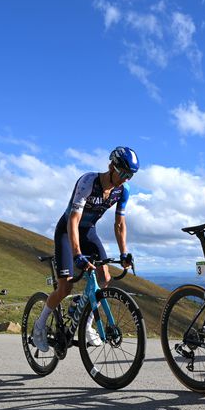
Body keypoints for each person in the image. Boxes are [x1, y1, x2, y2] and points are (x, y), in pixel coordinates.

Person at [32, 146, 139, 352]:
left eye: (130, 176)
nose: (126, 179)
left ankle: (86, 322)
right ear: (111, 166)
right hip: (67, 231)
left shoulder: (122, 191)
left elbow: (119, 224)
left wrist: (124, 252)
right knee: (65, 288)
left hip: (89, 232)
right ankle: (39, 326)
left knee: (105, 279)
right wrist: (77, 254)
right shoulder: (88, 182)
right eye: (124, 173)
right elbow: (73, 219)